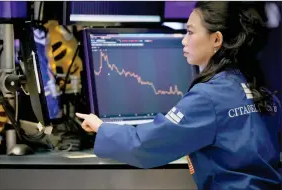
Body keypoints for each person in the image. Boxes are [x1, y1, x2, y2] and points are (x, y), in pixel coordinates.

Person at [76, 2, 282, 190]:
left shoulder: (208, 97)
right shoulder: (262, 91)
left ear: (217, 39)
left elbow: (146, 145)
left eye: (190, 32)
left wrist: (102, 128)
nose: (183, 40)